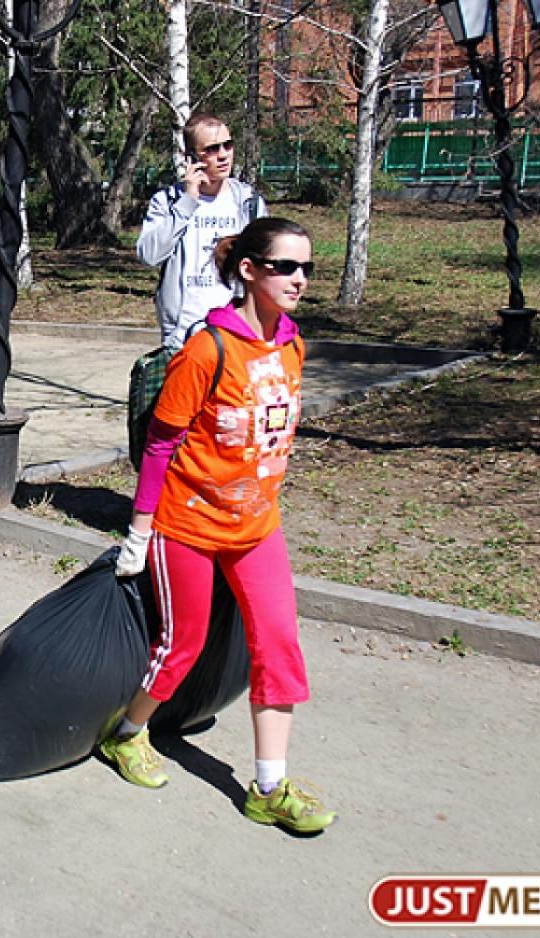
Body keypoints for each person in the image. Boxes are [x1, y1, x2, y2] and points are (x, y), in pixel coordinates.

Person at [104, 217, 335, 834]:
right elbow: (160, 443)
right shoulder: (208, 349)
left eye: (307, 267)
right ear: (249, 271)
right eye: (286, 266)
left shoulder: (292, 345)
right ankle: (126, 733)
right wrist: (141, 527)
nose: (300, 279)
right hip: (187, 523)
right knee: (182, 646)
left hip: (257, 528)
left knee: (280, 646)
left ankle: (268, 786)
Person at [137, 112, 266, 354]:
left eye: (228, 145)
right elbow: (149, 255)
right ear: (192, 157)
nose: (224, 154)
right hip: (182, 335)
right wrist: (188, 201)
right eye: (212, 149)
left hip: (236, 331)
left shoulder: (248, 203)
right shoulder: (167, 201)